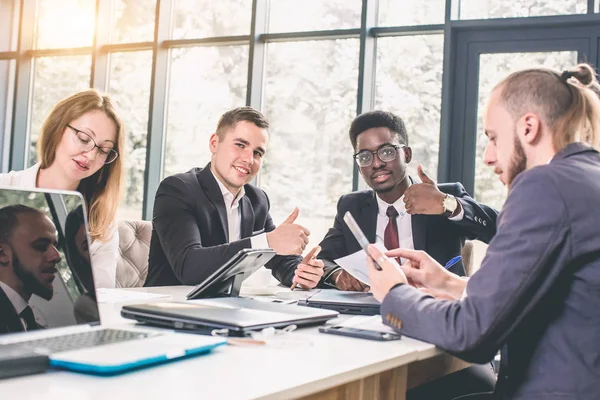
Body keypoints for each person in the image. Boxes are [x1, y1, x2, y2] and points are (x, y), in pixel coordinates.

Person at [366, 63, 600, 400]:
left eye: (493, 138)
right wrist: (449, 283)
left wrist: (394, 294)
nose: (489, 157)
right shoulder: (586, 177)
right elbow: (564, 299)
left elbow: (470, 334)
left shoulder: (545, 185)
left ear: (529, 127)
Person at [317, 111, 498, 292]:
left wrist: (448, 204)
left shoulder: (443, 197)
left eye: (386, 152)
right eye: (365, 157)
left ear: (407, 154)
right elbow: (321, 259)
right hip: (368, 311)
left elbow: (499, 230)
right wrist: (337, 275)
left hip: (434, 310)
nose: (376, 163)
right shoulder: (351, 207)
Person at [145, 107, 324, 289]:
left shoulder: (257, 200)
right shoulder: (178, 189)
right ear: (214, 143)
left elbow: (278, 260)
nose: (249, 159)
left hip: (226, 309)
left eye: (258, 153)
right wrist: (267, 241)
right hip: (170, 309)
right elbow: (188, 266)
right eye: (240, 145)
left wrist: (300, 273)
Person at [0, 89, 125, 289]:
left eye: (103, 150)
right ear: (57, 128)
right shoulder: (5, 186)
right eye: (84, 139)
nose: (91, 156)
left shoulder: (100, 218)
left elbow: (101, 294)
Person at [0, 205, 61, 334]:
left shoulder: (34, 327)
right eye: (41, 246)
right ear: (2, 254)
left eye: (55, 245)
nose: (56, 256)